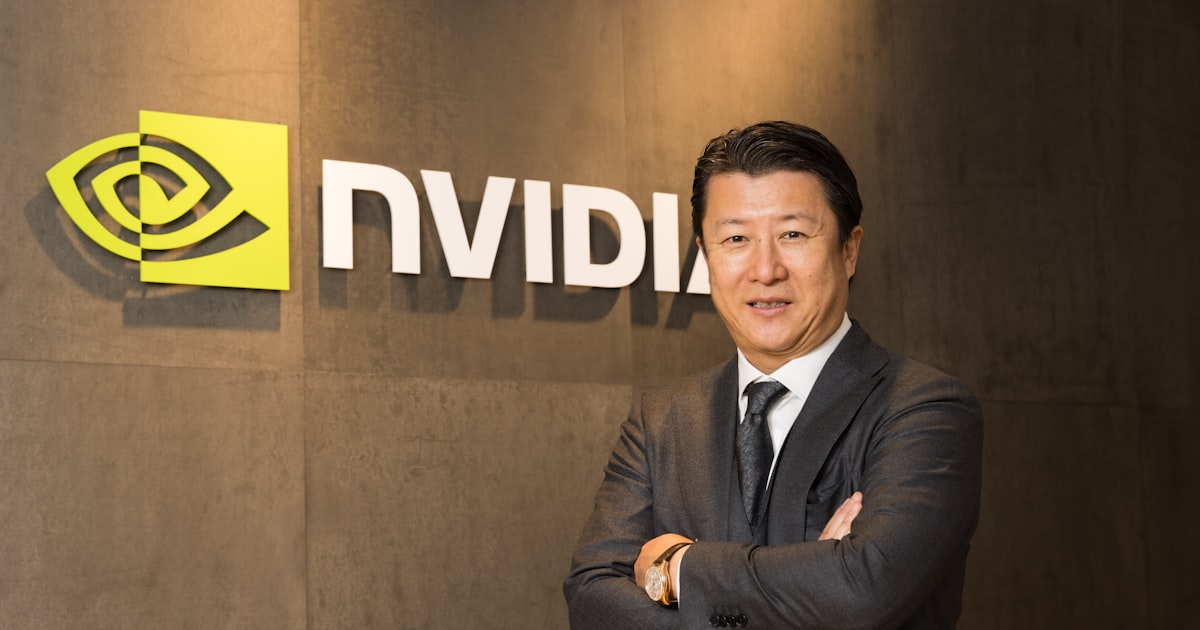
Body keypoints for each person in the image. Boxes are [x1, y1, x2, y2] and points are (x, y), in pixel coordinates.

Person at [563, 121, 983, 629]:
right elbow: (592, 596)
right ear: (705, 256)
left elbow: (862, 588)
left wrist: (679, 568)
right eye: (736, 238)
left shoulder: (924, 410)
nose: (765, 270)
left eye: (793, 234)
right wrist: (813, 582)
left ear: (849, 250)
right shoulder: (663, 420)